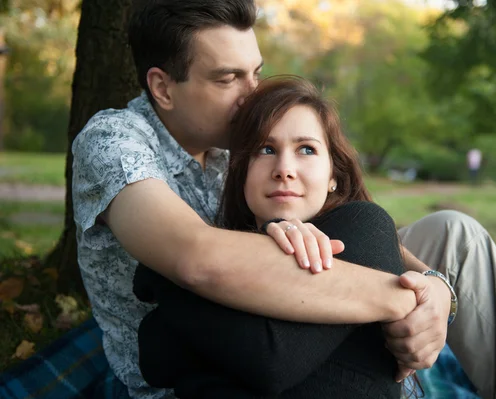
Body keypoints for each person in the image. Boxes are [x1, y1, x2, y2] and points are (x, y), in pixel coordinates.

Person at [70, 1, 496, 398]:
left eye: (256, 71)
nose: (252, 94)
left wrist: (437, 287)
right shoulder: (115, 141)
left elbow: (355, 228)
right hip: (210, 359)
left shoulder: (232, 142)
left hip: (293, 283)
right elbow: (199, 261)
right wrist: (399, 296)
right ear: (162, 86)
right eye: (228, 78)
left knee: (454, 234)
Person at [133, 75, 422, 398]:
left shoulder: (366, 226)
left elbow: (273, 361)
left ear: (333, 176)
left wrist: (164, 276)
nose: (284, 168)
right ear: (241, 173)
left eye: (306, 150)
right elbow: (155, 356)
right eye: (266, 149)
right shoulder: (225, 253)